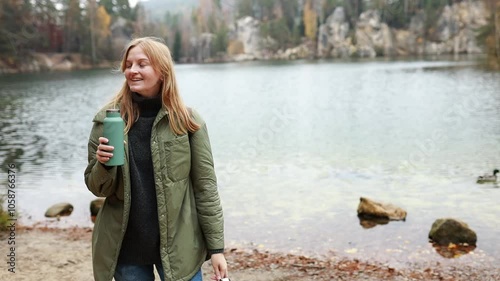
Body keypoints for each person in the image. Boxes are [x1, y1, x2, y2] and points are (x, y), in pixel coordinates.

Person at [84, 37, 228, 281]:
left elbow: (205, 189)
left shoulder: (188, 122)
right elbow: (97, 187)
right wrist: (103, 164)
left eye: (142, 64)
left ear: (162, 71)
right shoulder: (108, 121)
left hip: (180, 248)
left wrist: (216, 249)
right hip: (126, 248)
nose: (132, 71)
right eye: (129, 64)